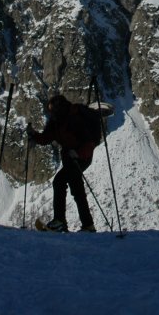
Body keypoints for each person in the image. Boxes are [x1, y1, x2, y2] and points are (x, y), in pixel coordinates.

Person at [26, 94, 100, 232]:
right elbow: (46, 137)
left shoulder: (74, 119)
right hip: (70, 158)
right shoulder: (56, 121)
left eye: (52, 110)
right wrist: (34, 135)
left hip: (81, 157)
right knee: (76, 189)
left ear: (59, 108)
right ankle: (87, 225)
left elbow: (89, 142)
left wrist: (78, 154)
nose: (51, 113)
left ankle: (60, 221)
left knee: (59, 181)